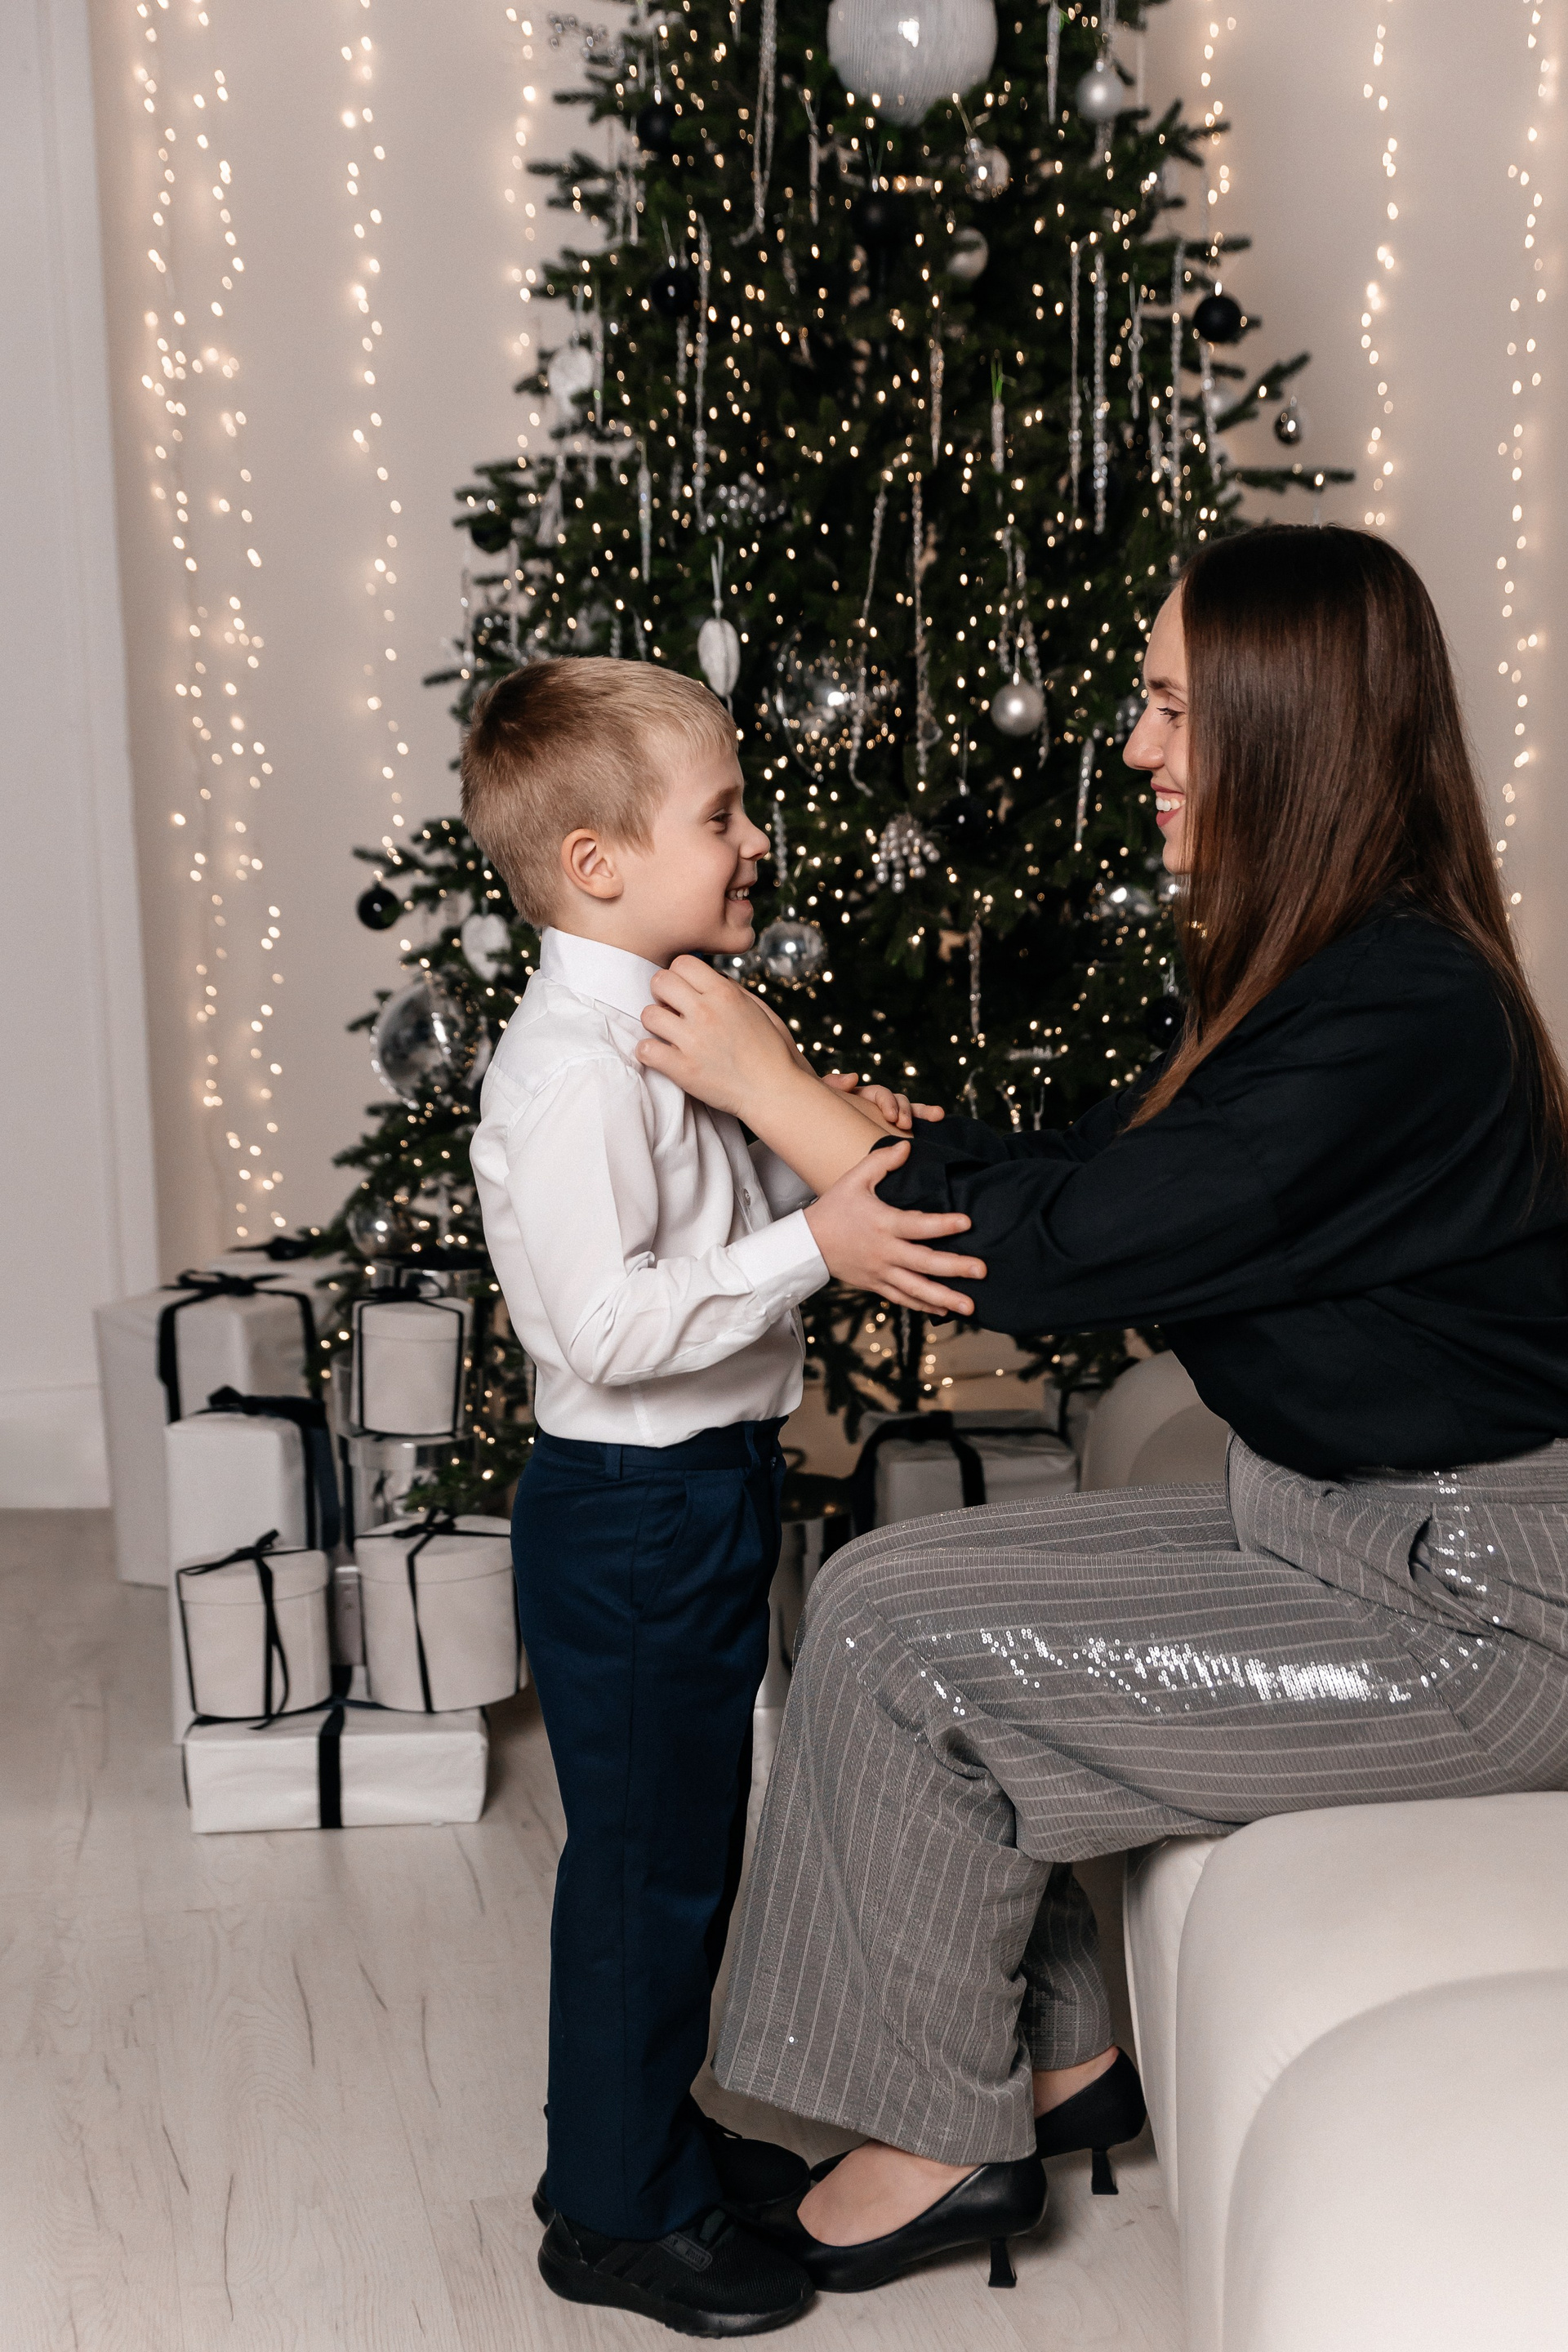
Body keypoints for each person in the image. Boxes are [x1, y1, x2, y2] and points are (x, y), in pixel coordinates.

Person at [632, 527, 1568, 2296]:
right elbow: (1123, 1176)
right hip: (1353, 1531)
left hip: (1485, 1614)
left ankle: (943, 2145)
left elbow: (1055, 1258)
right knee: (878, 1588)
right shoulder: (1337, 970)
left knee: (903, 1653)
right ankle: (1059, 2067)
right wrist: (905, 1139)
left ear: (1290, 730)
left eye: (1171, 709)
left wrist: (774, 1090)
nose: (1138, 749)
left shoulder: (1406, 1018)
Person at [463, 657, 971, 2336]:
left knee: (687, 1848)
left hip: (699, 1491)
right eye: (723, 815)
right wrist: (813, 1239)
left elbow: (698, 1224)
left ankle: (647, 2144)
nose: (758, 841)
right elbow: (605, 1328)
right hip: (631, 1513)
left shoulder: (668, 1025)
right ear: (598, 864)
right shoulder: (573, 1072)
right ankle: (613, 2218)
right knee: (643, 1870)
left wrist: (808, 1143)